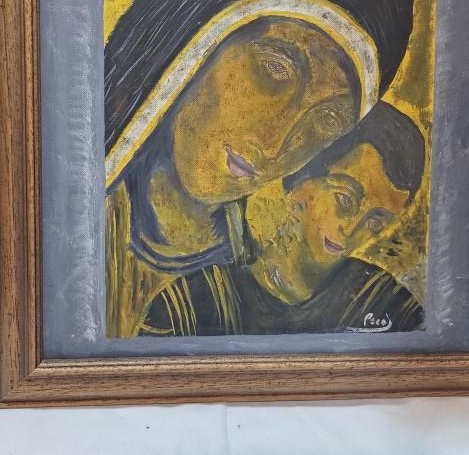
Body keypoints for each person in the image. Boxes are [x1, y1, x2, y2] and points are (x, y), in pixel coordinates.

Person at [104, 0, 418, 336]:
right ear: (198, 37)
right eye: (275, 69)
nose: (276, 146)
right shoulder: (69, 228)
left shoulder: (258, 274)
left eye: (328, 120)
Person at [136, 102, 426, 337]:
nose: (352, 229)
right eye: (345, 200)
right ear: (301, 179)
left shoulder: (388, 304)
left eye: (375, 221)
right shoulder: (187, 307)